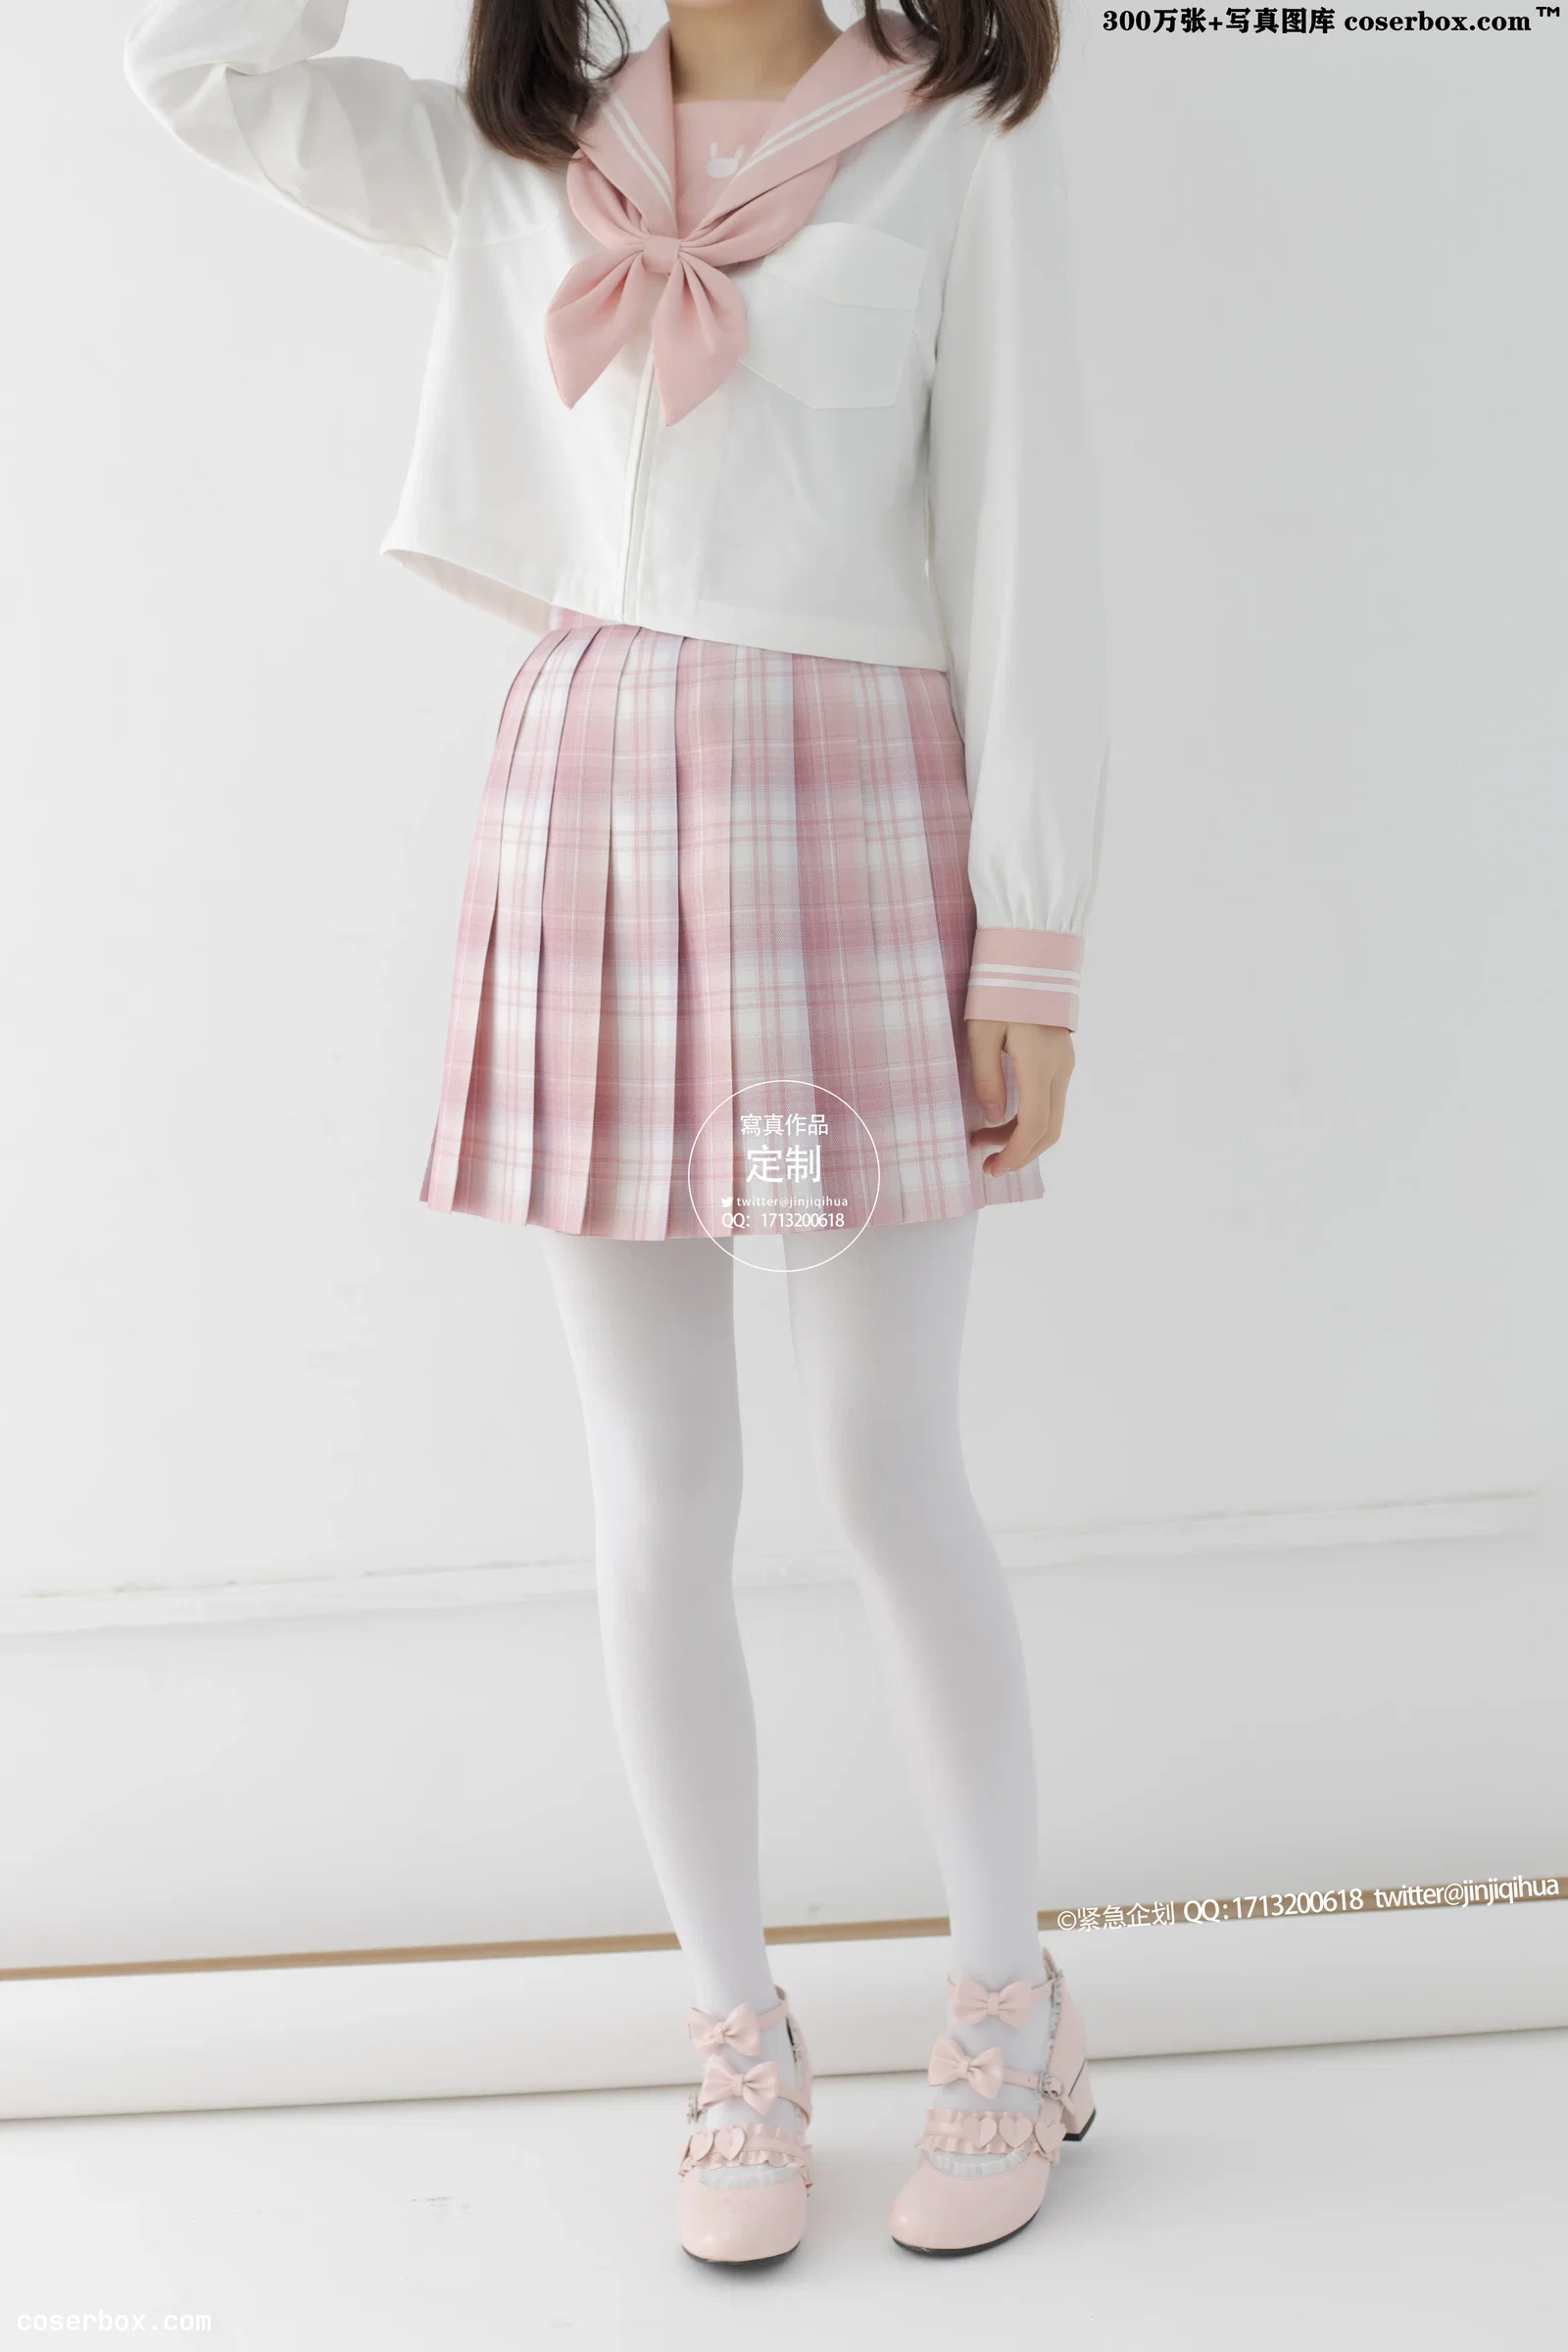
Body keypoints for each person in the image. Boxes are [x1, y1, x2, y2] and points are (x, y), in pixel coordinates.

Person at [125, 0, 1109, 2265]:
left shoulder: (956, 141)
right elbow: (197, 74)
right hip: (589, 820)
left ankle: (1006, 2003)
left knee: (885, 1466)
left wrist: (1032, 934)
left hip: (866, 825)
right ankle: (733, 2038)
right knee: (656, 1488)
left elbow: (1027, 535)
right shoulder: (519, 154)